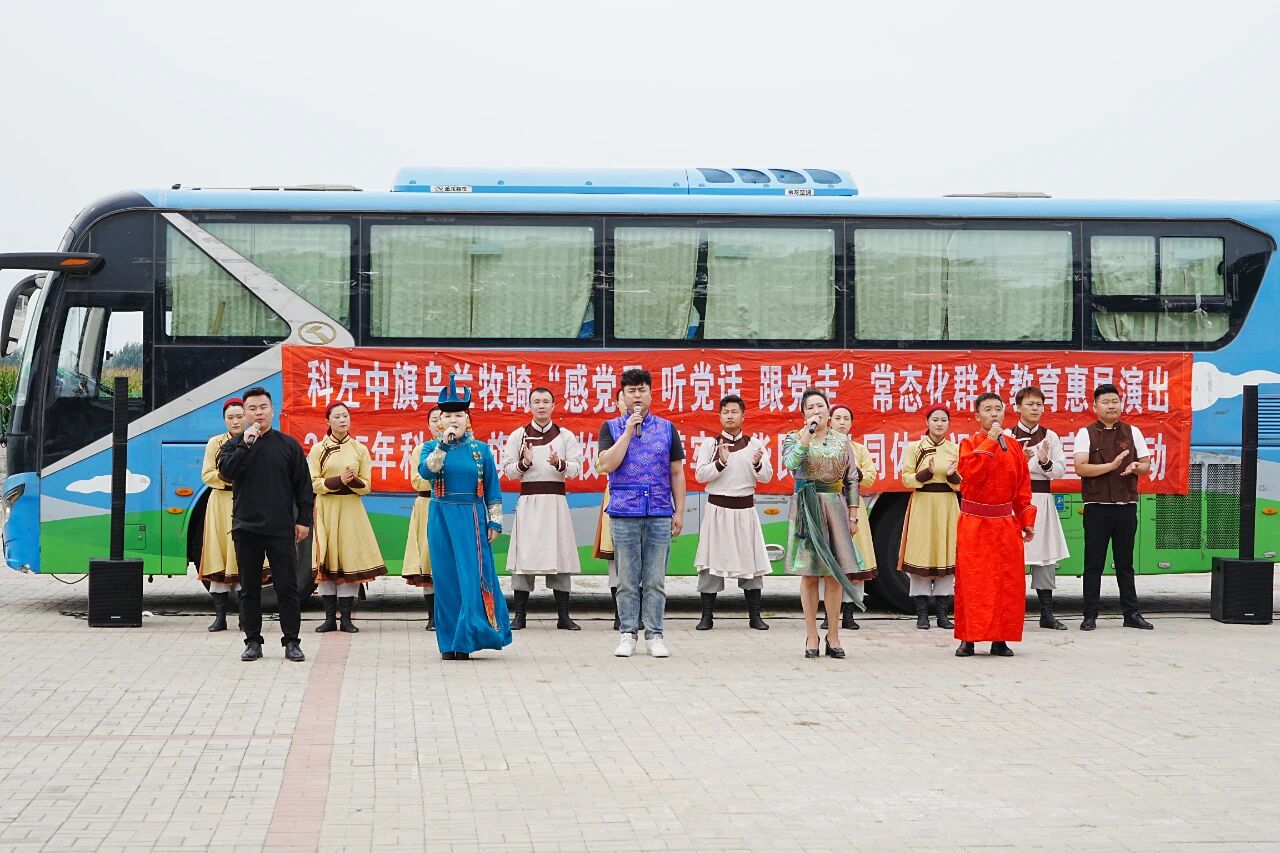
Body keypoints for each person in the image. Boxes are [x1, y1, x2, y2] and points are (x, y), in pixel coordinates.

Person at [418, 374, 512, 660]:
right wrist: (444, 446)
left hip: (471, 517)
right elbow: (426, 471)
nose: (453, 420)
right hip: (441, 517)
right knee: (446, 579)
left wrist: (495, 521)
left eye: (459, 415)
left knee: (472, 577)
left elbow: (493, 489)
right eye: (447, 416)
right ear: (440, 421)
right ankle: (449, 643)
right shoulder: (432, 448)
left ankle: (469, 637)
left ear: (467, 419)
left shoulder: (480, 450)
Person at [217, 387, 313, 663]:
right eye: (252, 409)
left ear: (272, 410)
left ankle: (291, 641)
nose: (258, 413)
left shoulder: (288, 445)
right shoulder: (234, 445)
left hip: (280, 527)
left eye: (263, 407)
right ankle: (252, 641)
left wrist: (303, 520)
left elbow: (303, 486)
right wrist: (245, 445)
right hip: (246, 527)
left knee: (287, 587)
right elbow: (226, 472)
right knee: (249, 589)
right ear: (245, 413)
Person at [596, 368, 686, 659]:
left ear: (650, 394)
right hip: (624, 512)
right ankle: (627, 633)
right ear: (623, 396)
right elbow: (606, 465)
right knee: (626, 580)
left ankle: (655, 634)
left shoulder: (667, 428)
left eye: (642, 390)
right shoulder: (611, 428)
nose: (637, 396)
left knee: (655, 580)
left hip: (659, 511)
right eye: (631, 391)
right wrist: (627, 432)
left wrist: (679, 511)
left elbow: (677, 472)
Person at [783, 389, 867, 660]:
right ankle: (811, 635)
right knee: (809, 575)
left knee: (834, 573)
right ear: (803, 413)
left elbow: (852, 479)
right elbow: (791, 464)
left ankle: (833, 634)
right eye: (810, 407)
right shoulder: (794, 438)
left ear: (829, 412)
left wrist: (853, 515)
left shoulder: (842, 441)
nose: (816, 411)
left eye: (820, 406)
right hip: (807, 507)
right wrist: (807, 435)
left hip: (835, 507)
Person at [953, 393, 1037, 658]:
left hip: (1004, 525)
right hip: (974, 524)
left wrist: (1027, 521)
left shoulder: (1013, 447)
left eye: (998, 409)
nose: (994, 414)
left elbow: (1022, 488)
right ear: (977, 416)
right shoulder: (969, 444)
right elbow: (970, 475)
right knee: (972, 583)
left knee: (1005, 583)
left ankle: (1000, 638)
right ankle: (968, 638)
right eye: (987, 409)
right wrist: (990, 441)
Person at [501, 387, 584, 631]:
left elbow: (576, 469)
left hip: (556, 502)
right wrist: (524, 462)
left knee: (560, 555)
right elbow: (508, 471)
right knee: (523, 557)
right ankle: (520, 616)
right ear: (529, 406)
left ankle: (563, 616)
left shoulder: (565, 436)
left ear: (553, 406)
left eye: (546, 401)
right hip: (529, 502)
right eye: (536, 401)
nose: (541, 406)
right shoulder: (519, 435)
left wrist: (559, 463)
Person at [1073, 383, 1154, 631]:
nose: (1111, 406)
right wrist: (1111, 466)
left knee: (1125, 563)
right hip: (1097, 507)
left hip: (1126, 506)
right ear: (1095, 406)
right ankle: (1090, 615)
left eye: (1115, 401)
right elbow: (1081, 468)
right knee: (1093, 564)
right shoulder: (1086, 433)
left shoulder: (1132, 432)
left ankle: (1131, 614)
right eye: (1106, 402)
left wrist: (1136, 467)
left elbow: (1146, 465)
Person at [692, 394, 773, 631]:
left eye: (734, 411)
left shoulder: (755, 445)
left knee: (751, 563)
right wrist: (720, 462)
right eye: (725, 412)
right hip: (717, 511)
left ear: (743, 416)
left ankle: (755, 616)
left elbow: (767, 476)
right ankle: (707, 616)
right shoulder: (711, 445)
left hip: (745, 511)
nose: (730, 416)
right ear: (719, 416)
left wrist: (757, 464)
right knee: (710, 563)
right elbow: (700, 475)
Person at [308, 402, 388, 634]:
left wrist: (352, 481)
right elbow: (313, 483)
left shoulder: (359, 449)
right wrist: (338, 480)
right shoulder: (318, 449)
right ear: (327, 421)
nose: (343, 420)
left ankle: (346, 619)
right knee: (327, 560)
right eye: (337, 416)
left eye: (345, 415)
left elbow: (367, 486)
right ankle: (329, 619)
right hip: (327, 508)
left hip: (351, 508)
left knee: (349, 560)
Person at [898, 405, 961, 630]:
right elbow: (906, 479)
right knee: (921, 554)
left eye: (943, 420)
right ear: (927, 422)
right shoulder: (915, 448)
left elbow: (962, 483)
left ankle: (943, 615)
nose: (939, 424)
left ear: (949, 423)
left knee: (946, 553)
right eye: (935, 419)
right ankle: (922, 615)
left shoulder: (955, 449)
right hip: (923, 503)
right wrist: (927, 473)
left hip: (947, 505)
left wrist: (952, 476)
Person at [198, 397, 258, 632]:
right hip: (220, 505)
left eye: (239, 416)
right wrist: (229, 477)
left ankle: (245, 617)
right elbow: (207, 475)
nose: (235, 421)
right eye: (230, 417)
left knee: (244, 558)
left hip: (246, 502)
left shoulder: (255, 440)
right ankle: (220, 616)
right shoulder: (215, 443)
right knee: (219, 556)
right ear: (224, 420)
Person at [1012, 387, 1070, 630]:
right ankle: (1011, 614)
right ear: (1018, 407)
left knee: (1045, 557)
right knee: (1012, 557)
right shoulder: (1007, 435)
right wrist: (1021, 461)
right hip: (1016, 501)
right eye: (1030, 404)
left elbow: (1060, 470)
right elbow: (1002, 470)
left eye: (1039, 404)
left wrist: (1044, 461)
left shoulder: (1050, 436)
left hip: (1043, 501)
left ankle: (1046, 613)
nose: (1035, 409)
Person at [824, 404, 878, 631]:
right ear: (830, 421)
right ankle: (828, 614)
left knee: (855, 562)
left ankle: (849, 613)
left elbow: (871, 478)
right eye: (838, 418)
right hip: (829, 505)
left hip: (854, 508)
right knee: (829, 562)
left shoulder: (859, 450)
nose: (842, 422)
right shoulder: (822, 446)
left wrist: (854, 471)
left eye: (846, 418)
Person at [403, 407, 443, 630]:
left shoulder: (461, 448)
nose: (439, 423)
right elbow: (417, 481)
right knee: (429, 560)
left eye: (443, 418)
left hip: (451, 505)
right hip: (427, 505)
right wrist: (440, 478)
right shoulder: (422, 449)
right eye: (434, 420)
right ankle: (432, 617)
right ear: (428, 425)